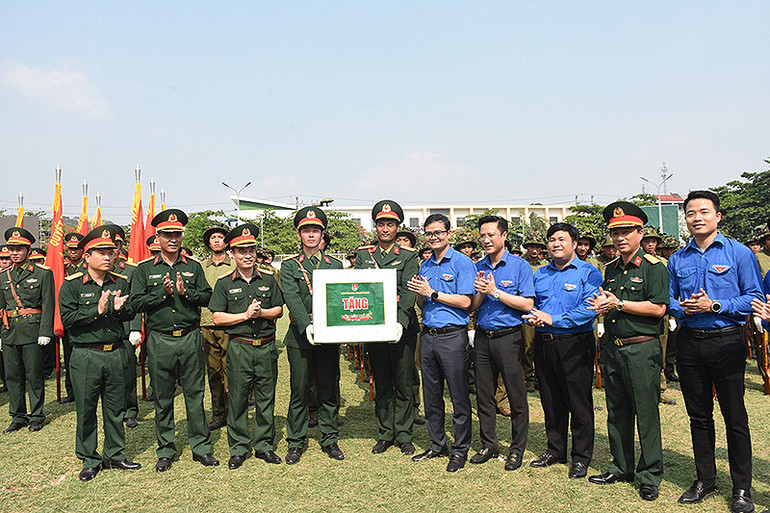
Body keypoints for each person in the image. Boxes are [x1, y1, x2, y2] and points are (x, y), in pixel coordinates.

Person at [668, 191, 762, 513]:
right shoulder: (677, 258)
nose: (697, 218)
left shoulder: (740, 253)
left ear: (718, 216)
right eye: (691, 213)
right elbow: (670, 300)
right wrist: (684, 308)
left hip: (727, 341)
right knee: (699, 416)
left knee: (734, 416)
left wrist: (715, 304)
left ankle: (742, 488)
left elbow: (753, 298)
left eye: (704, 212)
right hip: (690, 341)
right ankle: (705, 479)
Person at [586, 201, 668, 502]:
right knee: (617, 411)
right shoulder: (610, 269)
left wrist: (619, 304)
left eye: (626, 231)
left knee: (646, 413)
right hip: (614, 348)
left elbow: (658, 307)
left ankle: (650, 474)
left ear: (640, 232)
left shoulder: (654, 267)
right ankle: (620, 466)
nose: (620, 238)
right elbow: (605, 302)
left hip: (641, 348)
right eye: (615, 232)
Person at [130, 209, 218, 472]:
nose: (173, 239)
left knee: (195, 395)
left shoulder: (193, 267)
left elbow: (208, 297)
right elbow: (136, 302)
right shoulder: (145, 270)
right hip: (160, 340)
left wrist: (185, 292)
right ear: (158, 237)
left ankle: (201, 448)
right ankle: (166, 449)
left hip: (190, 337)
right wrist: (162, 293)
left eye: (177, 234)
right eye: (167, 234)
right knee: (163, 397)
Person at [59, 226, 141, 481]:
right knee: (86, 409)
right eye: (101, 252)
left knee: (115, 408)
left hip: (115, 352)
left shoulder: (121, 282)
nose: (108, 256)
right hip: (86, 355)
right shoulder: (72, 285)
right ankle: (89, 459)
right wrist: (97, 309)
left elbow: (131, 313)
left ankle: (115, 454)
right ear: (87, 256)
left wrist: (118, 309)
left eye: (110, 252)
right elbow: (69, 319)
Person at [523, 222, 601, 479]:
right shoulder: (540, 274)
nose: (556, 244)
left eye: (562, 239)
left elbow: (588, 309)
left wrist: (552, 319)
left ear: (575, 244)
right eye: (552, 240)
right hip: (545, 343)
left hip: (575, 343)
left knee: (578, 402)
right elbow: (533, 305)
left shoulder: (588, 273)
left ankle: (581, 457)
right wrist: (532, 318)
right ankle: (555, 450)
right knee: (551, 400)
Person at [209, 223, 284, 469]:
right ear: (232, 253)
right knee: (239, 399)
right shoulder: (224, 283)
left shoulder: (269, 279)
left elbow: (278, 310)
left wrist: (261, 312)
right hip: (239, 347)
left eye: (251, 249)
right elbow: (218, 317)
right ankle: (239, 448)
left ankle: (264, 446)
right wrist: (245, 316)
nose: (248, 255)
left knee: (265, 398)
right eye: (241, 250)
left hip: (265, 346)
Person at [407, 213, 475, 472]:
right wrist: (419, 295)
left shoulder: (462, 262)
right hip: (429, 335)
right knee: (431, 396)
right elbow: (423, 302)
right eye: (429, 233)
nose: (434, 237)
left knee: (458, 396)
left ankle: (460, 449)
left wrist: (433, 293)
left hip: (452, 336)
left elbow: (466, 302)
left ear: (449, 233)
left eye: (438, 232)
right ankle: (437, 444)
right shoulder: (425, 266)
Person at [354, 200, 419, 456]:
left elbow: (409, 291)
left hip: (401, 328)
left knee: (403, 383)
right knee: (381, 381)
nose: (385, 228)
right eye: (380, 224)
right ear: (375, 226)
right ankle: (384, 434)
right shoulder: (364, 256)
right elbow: (359, 287)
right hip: (373, 326)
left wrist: (400, 323)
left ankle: (403, 434)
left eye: (390, 224)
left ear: (397, 227)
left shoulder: (409, 256)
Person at [281, 206, 345, 464]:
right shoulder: (289, 266)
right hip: (300, 336)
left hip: (328, 335)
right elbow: (292, 296)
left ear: (322, 234)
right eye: (306, 230)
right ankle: (296, 441)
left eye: (315, 230)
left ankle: (329, 438)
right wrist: (306, 324)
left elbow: (340, 297)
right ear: (299, 235)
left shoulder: (336, 265)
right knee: (299, 390)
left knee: (328, 389)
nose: (311, 235)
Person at [469, 215, 533, 471]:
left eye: (491, 235)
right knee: (484, 395)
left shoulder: (520, 266)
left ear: (504, 236)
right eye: (482, 236)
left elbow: (527, 304)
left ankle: (516, 449)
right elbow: (473, 306)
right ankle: (489, 444)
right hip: (483, 338)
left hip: (509, 338)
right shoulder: (478, 266)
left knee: (516, 396)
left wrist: (496, 292)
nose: (486, 240)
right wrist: (481, 294)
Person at [0, 228, 54, 433]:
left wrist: (45, 331)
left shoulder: (43, 274)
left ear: (28, 250)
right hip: (9, 331)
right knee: (12, 376)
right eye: (11, 249)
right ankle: (18, 415)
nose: (14, 253)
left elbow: (48, 304)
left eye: (18, 249)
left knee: (34, 375)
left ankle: (37, 415)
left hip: (33, 330)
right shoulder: (3, 276)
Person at [199, 225, 236, 431]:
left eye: (220, 237)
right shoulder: (201, 267)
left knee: (230, 370)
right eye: (213, 237)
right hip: (206, 323)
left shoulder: (234, 266)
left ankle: (233, 413)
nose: (216, 241)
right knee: (213, 372)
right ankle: (218, 414)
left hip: (229, 323)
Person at [104, 225, 141, 429]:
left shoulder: (131, 271)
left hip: (125, 329)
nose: (113, 249)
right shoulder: (92, 271)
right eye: (109, 245)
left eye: (116, 245)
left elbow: (135, 302)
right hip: (101, 331)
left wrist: (136, 327)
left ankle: (130, 410)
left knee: (127, 372)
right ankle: (112, 410)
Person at [641, 226, 676, 405]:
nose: (650, 244)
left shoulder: (664, 263)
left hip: (661, 315)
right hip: (640, 315)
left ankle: (661, 389)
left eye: (654, 241)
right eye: (647, 240)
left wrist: (672, 316)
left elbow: (670, 290)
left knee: (660, 354)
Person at [59, 232, 86, 404]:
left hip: (86, 317)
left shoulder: (89, 267)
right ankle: (71, 391)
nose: (73, 252)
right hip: (68, 317)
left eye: (76, 249)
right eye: (70, 249)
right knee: (69, 356)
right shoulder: (61, 268)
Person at [521, 238, 548, 392]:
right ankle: (529, 378)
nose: (534, 251)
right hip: (528, 310)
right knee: (527, 347)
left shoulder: (545, 266)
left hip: (544, 309)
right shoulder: (522, 264)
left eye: (537, 248)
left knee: (542, 346)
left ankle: (540, 378)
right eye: (531, 247)